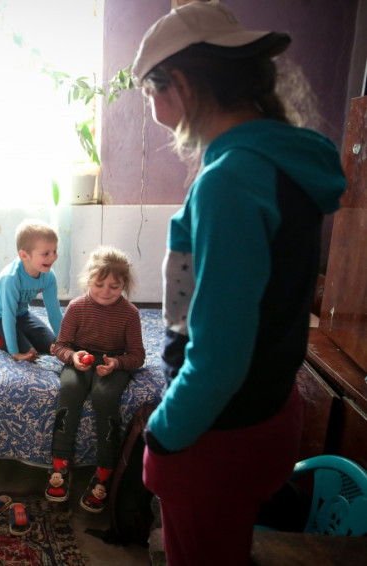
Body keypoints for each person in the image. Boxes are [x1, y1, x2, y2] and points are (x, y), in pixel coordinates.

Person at [132, 2, 347, 565]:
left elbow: (220, 355)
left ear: (180, 82)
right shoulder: (279, 160)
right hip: (268, 410)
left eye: (150, 89)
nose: (151, 105)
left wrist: (163, 433)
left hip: (217, 431)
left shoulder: (230, 179)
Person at [45, 246, 145, 512]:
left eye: (114, 286)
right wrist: (73, 356)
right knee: (70, 388)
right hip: (81, 357)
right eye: (99, 284)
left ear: (124, 284)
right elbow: (59, 345)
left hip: (114, 362)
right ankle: (60, 464)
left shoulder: (130, 313)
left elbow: (137, 355)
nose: (105, 291)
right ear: (89, 279)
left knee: (104, 396)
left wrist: (117, 363)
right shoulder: (77, 307)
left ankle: (104, 470)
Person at [0, 219, 62, 362]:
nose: (53, 257)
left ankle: (24, 337)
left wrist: (64, 343)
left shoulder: (49, 276)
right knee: (29, 354)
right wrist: (14, 352)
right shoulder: (11, 279)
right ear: (24, 255)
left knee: (53, 346)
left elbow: (54, 312)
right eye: (46, 253)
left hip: (21, 313)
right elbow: (8, 315)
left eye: (54, 251)